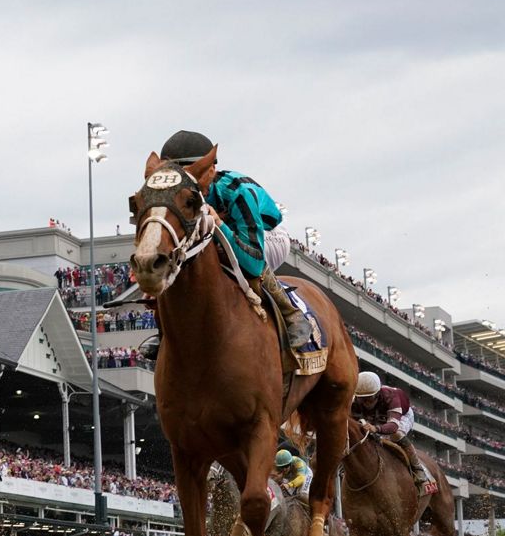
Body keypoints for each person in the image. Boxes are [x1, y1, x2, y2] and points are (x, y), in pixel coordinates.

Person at [139, 130, 312, 359]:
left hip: (268, 236)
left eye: (192, 172)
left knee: (242, 263)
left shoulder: (238, 190)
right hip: (223, 233)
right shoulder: (177, 196)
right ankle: (165, 333)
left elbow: (253, 261)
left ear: (210, 171)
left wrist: (219, 223)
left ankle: (290, 314)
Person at [352, 371, 429, 487]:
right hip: (376, 417)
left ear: (377, 393)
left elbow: (393, 426)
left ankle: (417, 467)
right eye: (363, 399)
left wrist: (376, 428)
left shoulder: (391, 396)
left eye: (370, 398)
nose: (366, 403)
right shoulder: (354, 401)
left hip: (401, 416)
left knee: (396, 434)